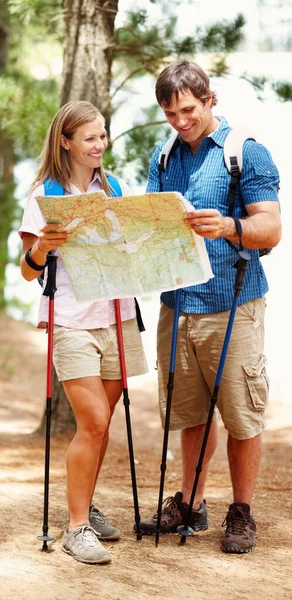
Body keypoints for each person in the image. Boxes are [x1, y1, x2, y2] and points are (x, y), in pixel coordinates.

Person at [138, 60, 282, 553]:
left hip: (234, 303)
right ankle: (191, 503)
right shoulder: (162, 158)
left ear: (209, 99)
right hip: (177, 305)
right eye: (170, 113)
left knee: (241, 414)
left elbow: (271, 230)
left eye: (188, 109)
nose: (181, 121)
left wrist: (228, 226)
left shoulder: (245, 154)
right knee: (192, 413)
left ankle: (240, 511)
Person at [19, 100, 148, 564]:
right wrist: (44, 248)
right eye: (91, 137)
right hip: (72, 319)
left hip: (118, 315)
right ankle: (76, 529)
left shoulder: (114, 187)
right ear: (66, 142)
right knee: (92, 421)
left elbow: (133, 251)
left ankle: (85, 506)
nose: (100, 144)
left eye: (103, 135)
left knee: (103, 424)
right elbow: (27, 271)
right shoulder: (44, 195)